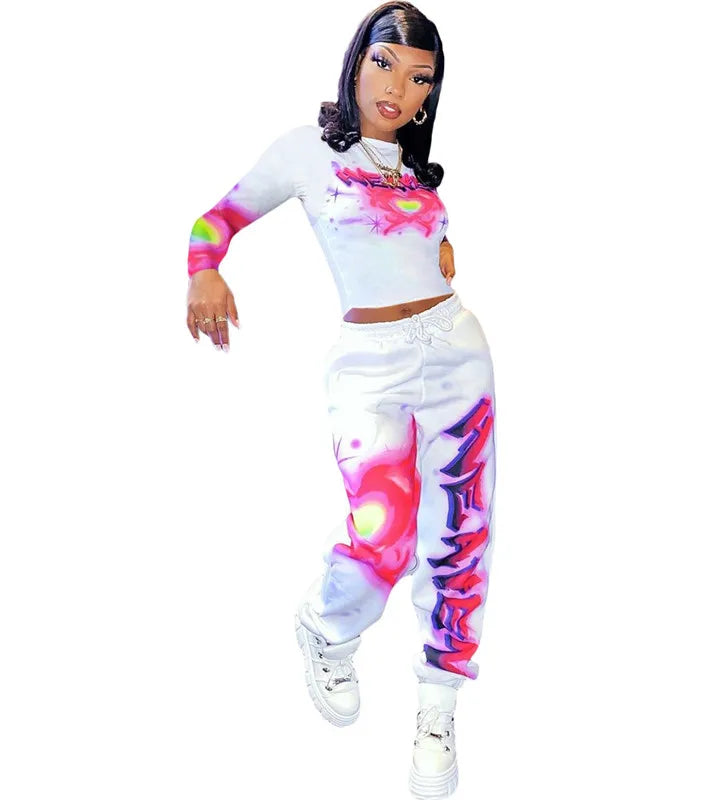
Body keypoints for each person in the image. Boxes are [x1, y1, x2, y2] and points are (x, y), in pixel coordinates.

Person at [185, 4, 497, 798]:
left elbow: (423, 256)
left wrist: (439, 253)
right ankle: (327, 624)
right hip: (369, 363)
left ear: (429, 97)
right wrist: (204, 271)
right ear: (357, 62)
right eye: (385, 63)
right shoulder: (306, 150)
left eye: (419, 78)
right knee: (384, 526)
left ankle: (438, 707)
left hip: (456, 350)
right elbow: (215, 219)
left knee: (460, 532)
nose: (398, 87)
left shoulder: (418, 175)